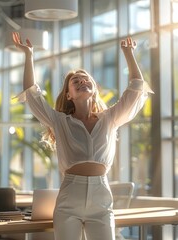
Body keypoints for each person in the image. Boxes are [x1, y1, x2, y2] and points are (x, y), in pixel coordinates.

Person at [12, 32, 153, 240]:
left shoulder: (110, 118)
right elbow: (32, 94)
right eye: (75, 81)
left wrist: (129, 54)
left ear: (94, 89)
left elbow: (135, 89)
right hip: (70, 197)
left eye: (85, 79)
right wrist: (29, 55)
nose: (81, 81)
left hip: (101, 197)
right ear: (69, 95)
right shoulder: (60, 121)